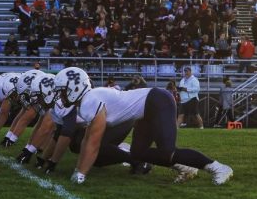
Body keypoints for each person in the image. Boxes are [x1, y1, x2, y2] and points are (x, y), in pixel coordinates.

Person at [53, 67, 233, 185]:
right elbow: (87, 140)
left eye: (62, 91)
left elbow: (93, 143)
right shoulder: (90, 98)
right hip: (145, 110)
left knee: (167, 150)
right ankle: (186, 166)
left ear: (74, 88)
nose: (60, 96)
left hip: (157, 101)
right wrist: (79, 169)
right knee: (138, 153)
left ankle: (218, 167)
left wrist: (81, 175)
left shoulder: (89, 101)